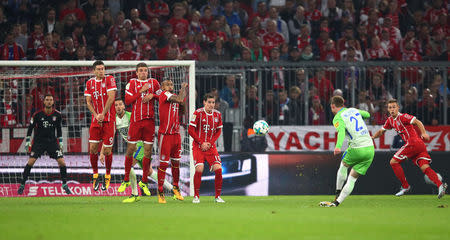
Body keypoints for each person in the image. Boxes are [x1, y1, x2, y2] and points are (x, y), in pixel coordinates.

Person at [372, 99, 447, 198]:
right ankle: (440, 185)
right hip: (418, 146)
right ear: (388, 109)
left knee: (393, 162)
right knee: (424, 167)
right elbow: (381, 131)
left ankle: (405, 186)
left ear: (398, 107)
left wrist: (424, 133)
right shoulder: (390, 121)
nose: (392, 109)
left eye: (394, 107)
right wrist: (373, 137)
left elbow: (417, 122)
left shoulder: (403, 117)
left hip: (413, 143)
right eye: (390, 108)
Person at [101, 99, 172, 203]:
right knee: (149, 172)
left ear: (124, 106)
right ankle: (173, 189)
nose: (118, 107)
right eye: (116, 105)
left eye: (120, 104)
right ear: (113, 108)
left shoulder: (131, 117)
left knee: (128, 166)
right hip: (133, 147)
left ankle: (134, 194)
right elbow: (108, 136)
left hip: (140, 144)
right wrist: (102, 152)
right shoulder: (114, 120)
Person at [320, 96, 374, 207]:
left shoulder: (338, 117)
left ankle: (337, 193)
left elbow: (340, 132)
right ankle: (337, 202)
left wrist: (338, 146)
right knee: (353, 178)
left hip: (357, 148)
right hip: (370, 149)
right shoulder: (353, 110)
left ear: (333, 106)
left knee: (343, 166)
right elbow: (367, 115)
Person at [117, 62, 159, 196]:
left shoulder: (154, 83)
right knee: (130, 150)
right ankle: (125, 180)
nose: (143, 73)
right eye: (140, 70)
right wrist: (140, 91)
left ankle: (144, 182)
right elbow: (128, 100)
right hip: (135, 121)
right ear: (136, 72)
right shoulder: (132, 83)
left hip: (149, 122)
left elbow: (161, 97)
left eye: (145, 70)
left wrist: (153, 95)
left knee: (148, 153)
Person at [18, 94, 71, 195]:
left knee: (62, 162)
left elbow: (59, 130)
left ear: (53, 102)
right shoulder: (37, 114)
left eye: (51, 100)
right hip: (39, 142)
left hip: (52, 142)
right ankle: (22, 185)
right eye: (47, 100)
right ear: (44, 102)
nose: (49, 101)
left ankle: (64, 184)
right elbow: (30, 127)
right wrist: (28, 140)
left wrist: (60, 142)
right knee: (31, 162)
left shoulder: (58, 115)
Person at [84, 60, 117, 191]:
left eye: (103, 69)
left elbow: (111, 97)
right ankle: (95, 174)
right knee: (92, 149)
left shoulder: (110, 79)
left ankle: (108, 175)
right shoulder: (89, 83)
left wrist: (103, 113)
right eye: (98, 69)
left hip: (108, 120)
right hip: (95, 120)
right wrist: (96, 115)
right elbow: (88, 102)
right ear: (94, 71)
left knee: (107, 151)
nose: (101, 71)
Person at [188, 94, 225, 203]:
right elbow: (190, 130)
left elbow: (218, 131)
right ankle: (196, 196)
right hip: (198, 147)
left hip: (210, 147)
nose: (211, 105)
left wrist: (210, 142)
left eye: (213, 102)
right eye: (209, 102)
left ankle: (217, 197)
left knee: (219, 169)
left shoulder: (218, 115)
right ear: (204, 102)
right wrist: (201, 142)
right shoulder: (197, 113)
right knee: (199, 169)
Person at [156, 80, 188, 203]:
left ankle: (176, 189)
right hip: (165, 135)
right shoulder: (164, 94)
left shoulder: (174, 98)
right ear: (162, 87)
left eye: (171, 84)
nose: (170, 86)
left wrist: (183, 101)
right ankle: (160, 192)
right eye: (167, 84)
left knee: (176, 163)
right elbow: (180, 99)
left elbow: (183, 112)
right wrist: (183, 88)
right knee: (163, 164)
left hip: (176, 135)